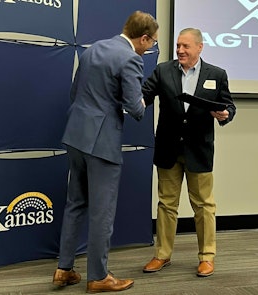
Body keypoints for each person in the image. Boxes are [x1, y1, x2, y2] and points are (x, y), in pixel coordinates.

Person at [52, 11, 158, 293]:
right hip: (102, 142)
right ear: (143, 37)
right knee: (102, 212)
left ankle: (64, 269)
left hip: (76, 135)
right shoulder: (131, 59)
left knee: (75, 204)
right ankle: (98, 276)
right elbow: (136, 109)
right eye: (151, 43)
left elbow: (75, 93)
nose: (150, 48)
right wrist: (145, 97)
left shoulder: (94, 48)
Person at [141, 28, 236, 277]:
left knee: (204, 206)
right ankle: (162, 255)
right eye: (178, 46)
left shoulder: (216, 74)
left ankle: (207, 256)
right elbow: (144, 95)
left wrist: (225, 114)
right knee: (166, 204)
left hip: (199, 150)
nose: (180, 50)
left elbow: (228, 106)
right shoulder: (163, 70)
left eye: (186, 46)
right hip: (168, 149)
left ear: (200, 47)